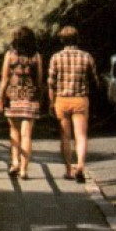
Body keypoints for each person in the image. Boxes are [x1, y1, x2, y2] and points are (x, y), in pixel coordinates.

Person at [47, 25, 102, 183]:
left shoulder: (55, 58)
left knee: (65, 136)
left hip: (62, 100)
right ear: (77, 39)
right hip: (80, 99)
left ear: (62, 40)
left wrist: (51, 103)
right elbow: (95, 80)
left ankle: (68, 170)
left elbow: (51, 84)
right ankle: (81, 167)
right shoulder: (86, 57)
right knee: (81, 135)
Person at [0, 27, 44, 178]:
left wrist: (0, 99)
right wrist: (40, 99)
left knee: (14, 132)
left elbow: (4, 79)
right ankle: (23, 169)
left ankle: (15, 162)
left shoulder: (10, 56)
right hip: (30, 98)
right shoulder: (36, 56)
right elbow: (40, 81)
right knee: (26, 135)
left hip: (13, 98)